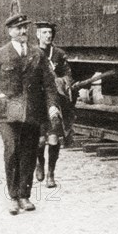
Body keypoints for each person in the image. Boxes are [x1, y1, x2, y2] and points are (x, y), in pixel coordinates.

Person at [0, 14, 60, 215]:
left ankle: (25, 195)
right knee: (11, 151)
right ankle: (13, 196)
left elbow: (49, 85)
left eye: (25, 28)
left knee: (28, 153)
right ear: (10, 31)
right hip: (8, 113)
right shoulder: (0, 54)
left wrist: (52, 106)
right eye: (18, 29)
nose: (23, 31)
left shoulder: (37, 54)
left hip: (32, 112)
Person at [34, 21, 75, 189]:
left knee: (53, 138)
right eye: (44, 33)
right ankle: (39, 162)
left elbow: (67, 74)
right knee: (39, 140)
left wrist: (62, 81)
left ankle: (51, 173)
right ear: (38, 35)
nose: (48, 36)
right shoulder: (33, 53)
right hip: (37, 102)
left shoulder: (58, 54)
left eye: (50, 32)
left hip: (54, 101)